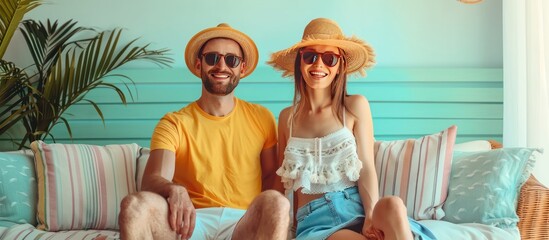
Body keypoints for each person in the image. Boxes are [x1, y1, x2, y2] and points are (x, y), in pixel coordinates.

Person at [268, 18, 437, 240]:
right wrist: (286, 229)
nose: (319, 65)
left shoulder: (355, 106)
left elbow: (366, 166)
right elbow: (284, 188)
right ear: (300, 61)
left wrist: (369, 215)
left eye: (329, 59)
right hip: (316, 222)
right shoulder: (286, 118)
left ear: (340, 66)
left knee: (393, 204)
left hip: (357, 207)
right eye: (310, 56)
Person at [118, 23, 290, 240]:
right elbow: (153, 178)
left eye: (231, 60)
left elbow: (270, 177)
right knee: (134, 205)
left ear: (242, 68)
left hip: (243, 222)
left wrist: (260, 218)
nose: (221, 66)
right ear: (199, 64)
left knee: (278, 203)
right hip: (188, 223)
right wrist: (174, 189)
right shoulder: (174, 123)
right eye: (212, 58)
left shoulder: (262, 117)